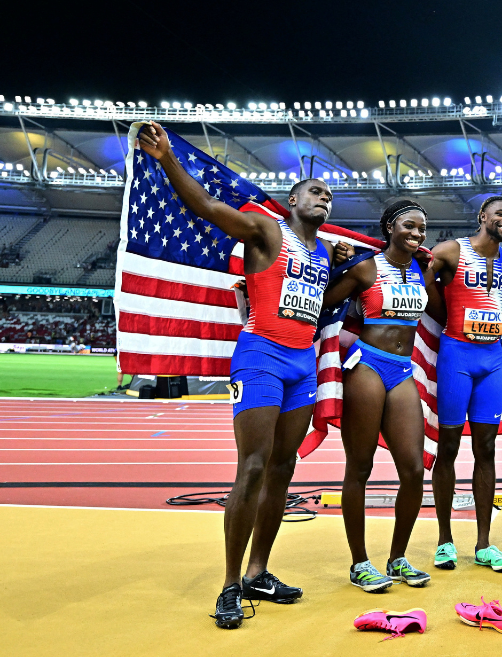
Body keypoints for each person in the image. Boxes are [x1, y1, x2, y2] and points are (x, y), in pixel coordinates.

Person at [136, 121, 348, 628]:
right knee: (252, 466)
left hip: (301, 364)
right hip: (260, 357)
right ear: (292, 201)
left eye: (329, 197)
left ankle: (259, 571)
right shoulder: (266, 230)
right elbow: (208, 209)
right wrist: (167, 158)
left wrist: (338, 261)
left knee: (282, 469)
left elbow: (314, 303)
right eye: (315, 192)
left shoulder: (321, 252)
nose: (325, 199)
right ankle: (230, 585)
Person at [320, 198, 443, 592]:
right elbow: (320, 300)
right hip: (367, 364)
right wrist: (331, 256)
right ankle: (359, 563)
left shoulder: (424, 269)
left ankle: (397, 558)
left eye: (422, 228)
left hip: (402, 369)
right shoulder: (365, 266)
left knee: (412, 469)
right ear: (389, 227)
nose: (417, 234)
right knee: (360, 467)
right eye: (409, 225)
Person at [426, 196, 502, 573]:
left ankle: (484, 544)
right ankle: (444, 541)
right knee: (449, 445)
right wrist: (448, 322)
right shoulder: (452, 250)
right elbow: (424, 283)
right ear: (483, 217)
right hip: (457, 354)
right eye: (501, 214)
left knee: (487, 447)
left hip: (492, 360)